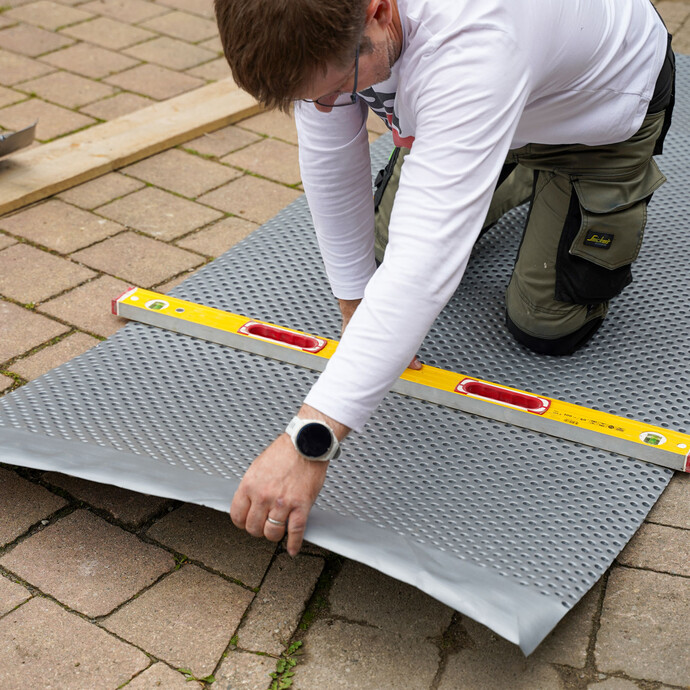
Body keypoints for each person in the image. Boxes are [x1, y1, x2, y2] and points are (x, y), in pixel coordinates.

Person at [213, 0, 675, 556]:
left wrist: (308, 445)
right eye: (313, 97)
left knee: (546, 323)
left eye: (339, 87)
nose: (330, 104)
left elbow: (424, 264)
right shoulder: (324, 27)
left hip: (595, 121)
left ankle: (516, 168)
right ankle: (483, 156)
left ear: (378, 12)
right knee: (375, 264)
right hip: (484, 97)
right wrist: (355, 302)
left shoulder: (477, 40)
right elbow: (332, 156)